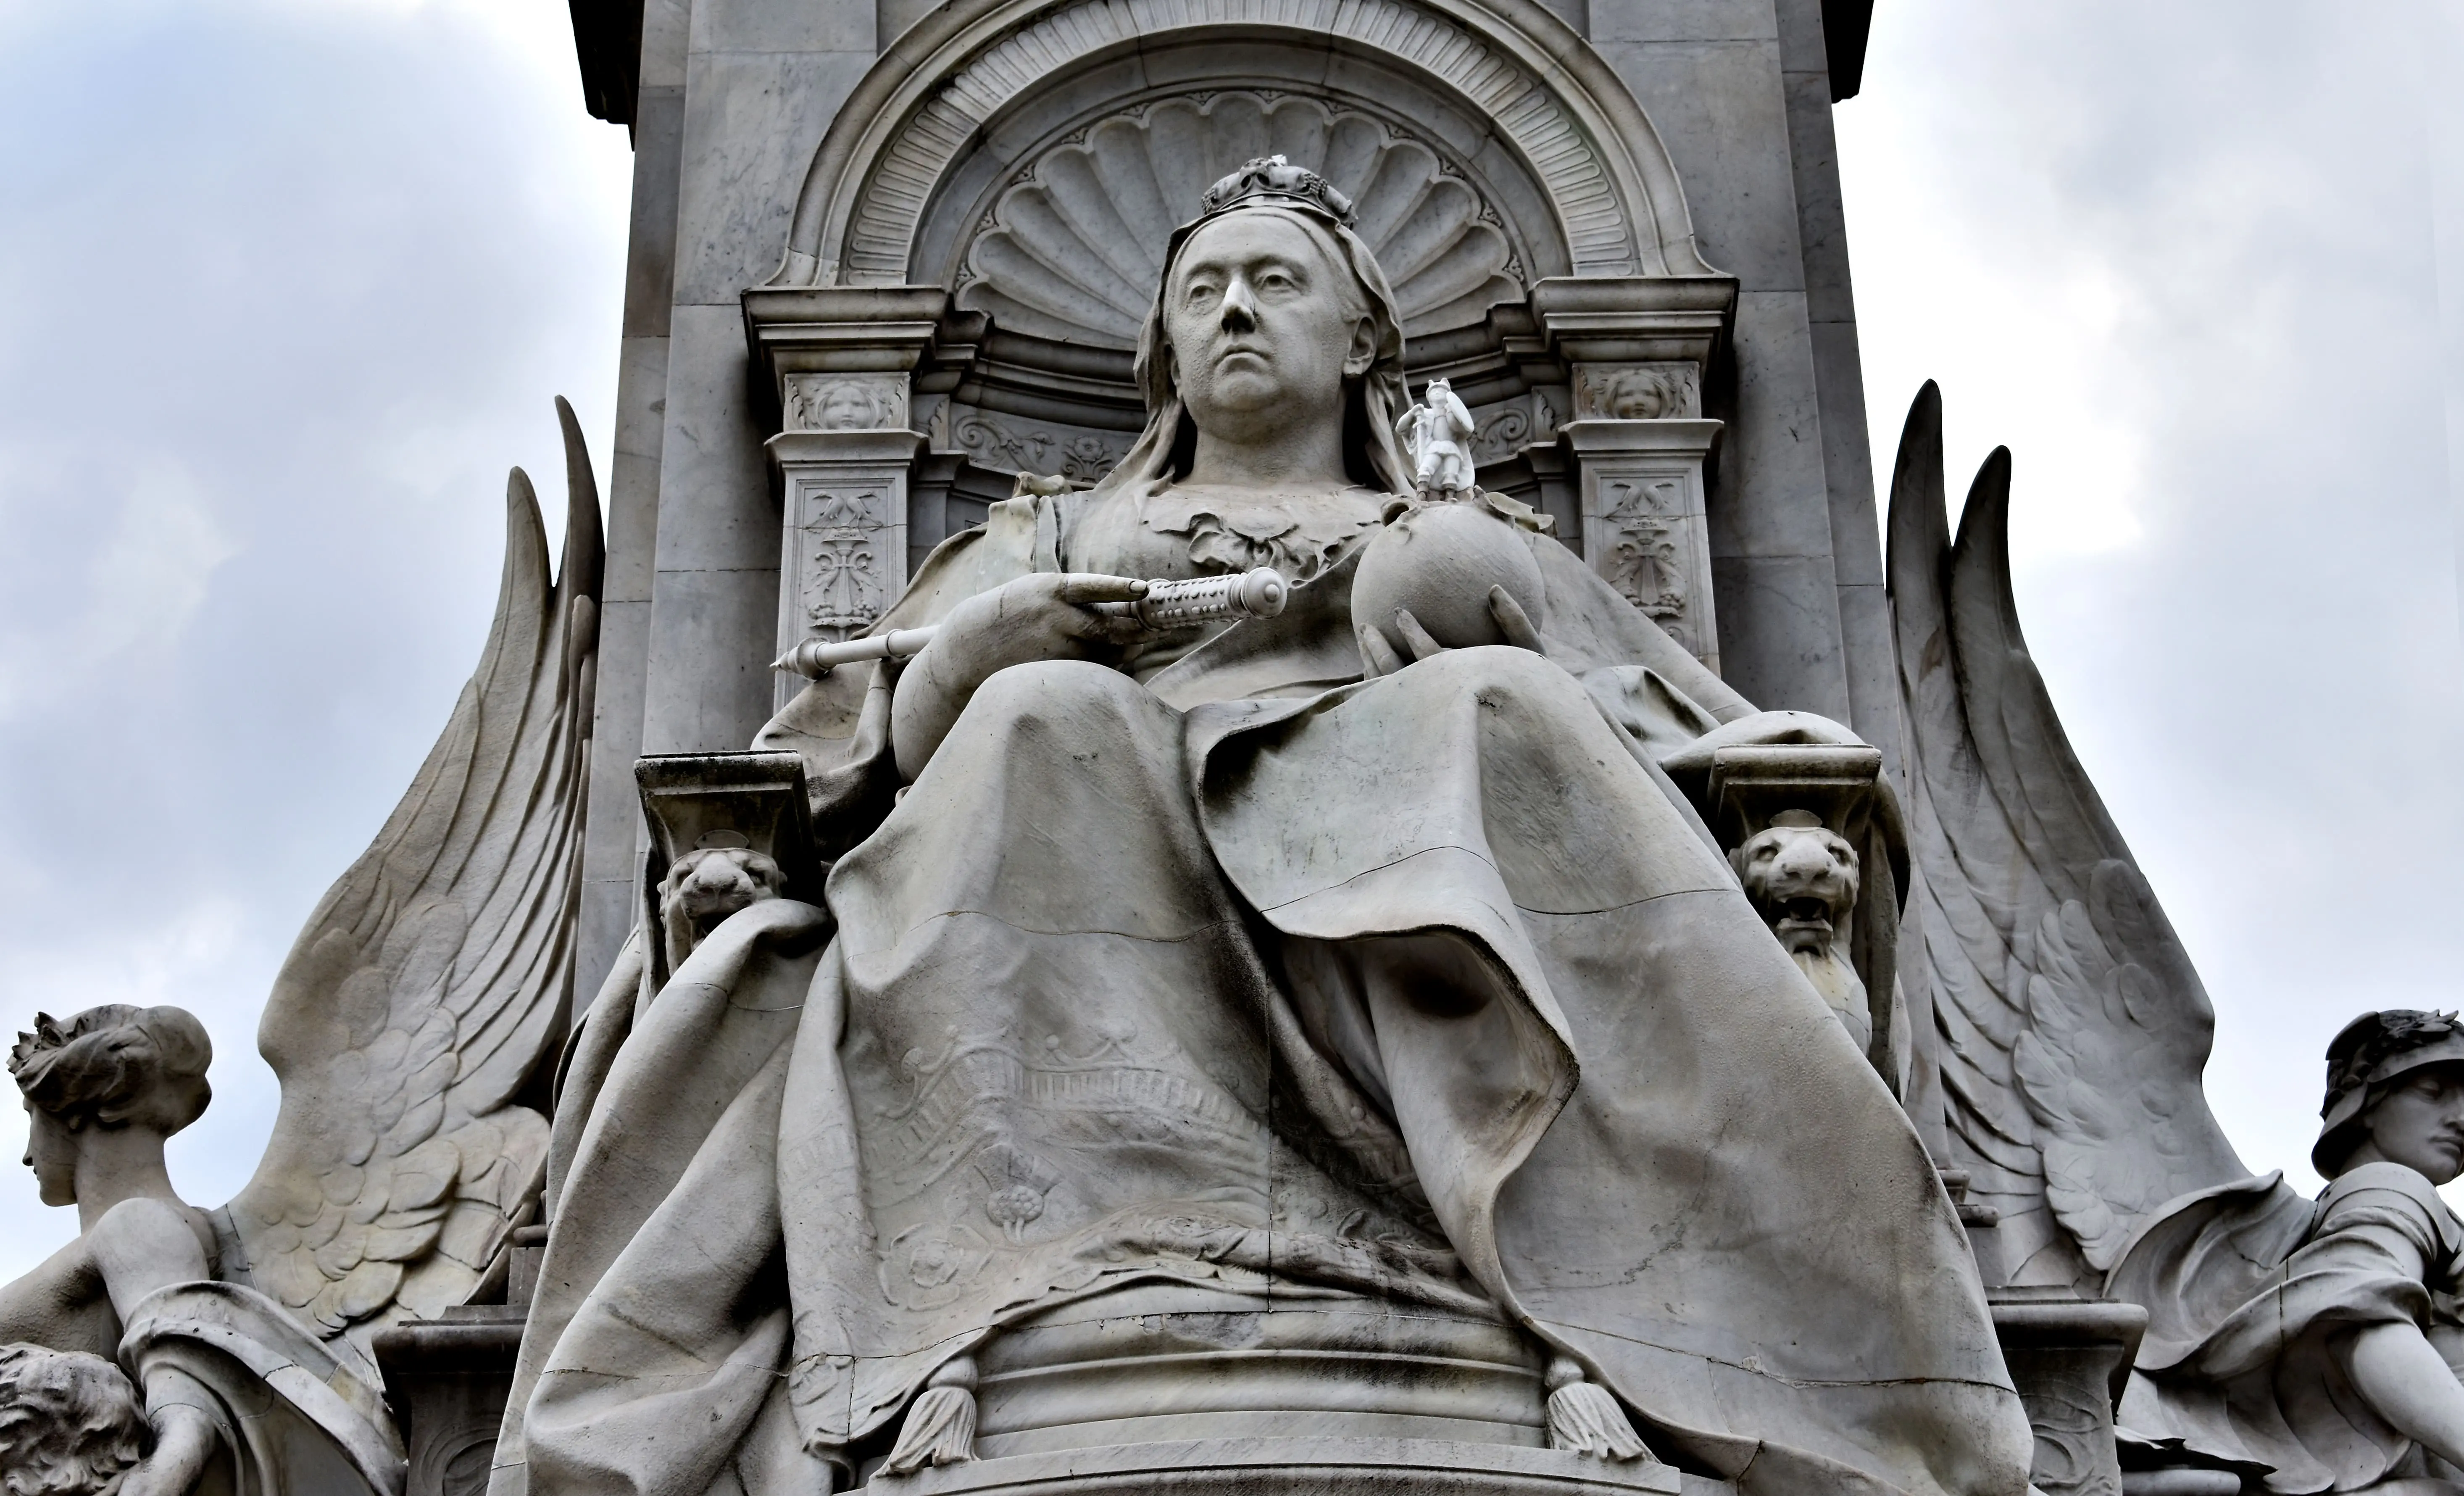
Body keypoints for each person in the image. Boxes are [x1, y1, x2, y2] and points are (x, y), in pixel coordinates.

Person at [496, 156, 2030, 1496]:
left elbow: (1651, 712)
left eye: (1273, 281)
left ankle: (1556, 1264)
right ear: (1163, 344)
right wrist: (985, 645)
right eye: (1204, 288)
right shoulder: (1051, 528)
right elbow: (854, 751)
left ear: (1359, 331)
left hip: (1397, 823)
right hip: (1092, 823)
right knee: (1043, 726)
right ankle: (1034, 1283)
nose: (1233, 309)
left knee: (1493, 710)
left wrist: (1462, 582)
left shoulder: (1459, 531)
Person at [2, 1008, 403, 1496]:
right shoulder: (141, 1227)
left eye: (32, 1118)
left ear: (76, 1113)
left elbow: (187, 1406)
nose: (28, 1152)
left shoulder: (137, 1223)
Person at [2112, 1010, 2464, 1494]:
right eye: (2431, 1091)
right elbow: (2361, 1322)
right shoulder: (2392, 1186)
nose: (2460, 1118)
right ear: (2367, 1098)